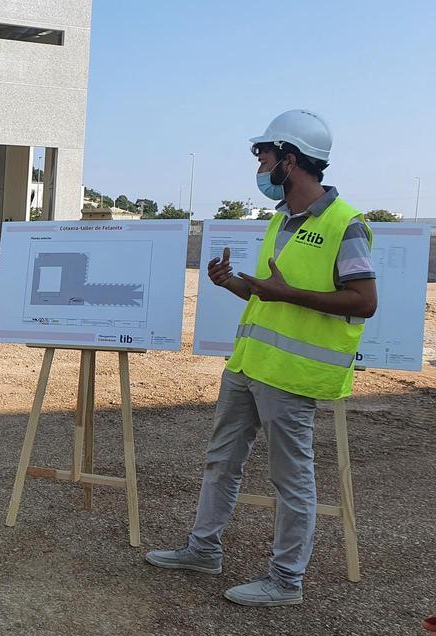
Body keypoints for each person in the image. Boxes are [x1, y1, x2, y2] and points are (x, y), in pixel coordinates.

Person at [146, 110, 377, 607]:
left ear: (289, 161)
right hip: (249, 365)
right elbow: (271, 296)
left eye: (264, 156)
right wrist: (234, 284)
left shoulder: (345, 224)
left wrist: (286, 295)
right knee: (221, 461)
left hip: (291, 376)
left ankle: (286, 581)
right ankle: (203, 549)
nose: (259, 165)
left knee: (291, 479)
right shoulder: (280, 219)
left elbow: (365, 301)